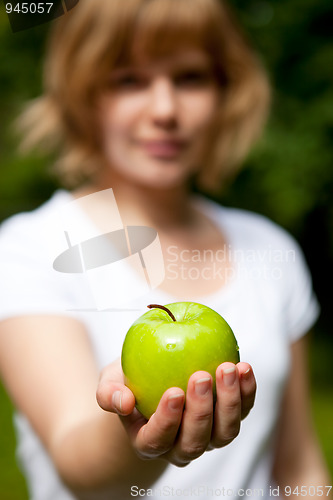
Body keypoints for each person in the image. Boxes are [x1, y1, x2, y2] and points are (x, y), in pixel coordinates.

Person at [0, 0, 331, 499]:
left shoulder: (269, 249)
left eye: (191, 77)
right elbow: (75, 459)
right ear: (83, 93)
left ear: (225, 90)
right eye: (128, 80)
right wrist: (137, 438)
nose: (165, 110)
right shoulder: (30, 248)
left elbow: (300, 466)